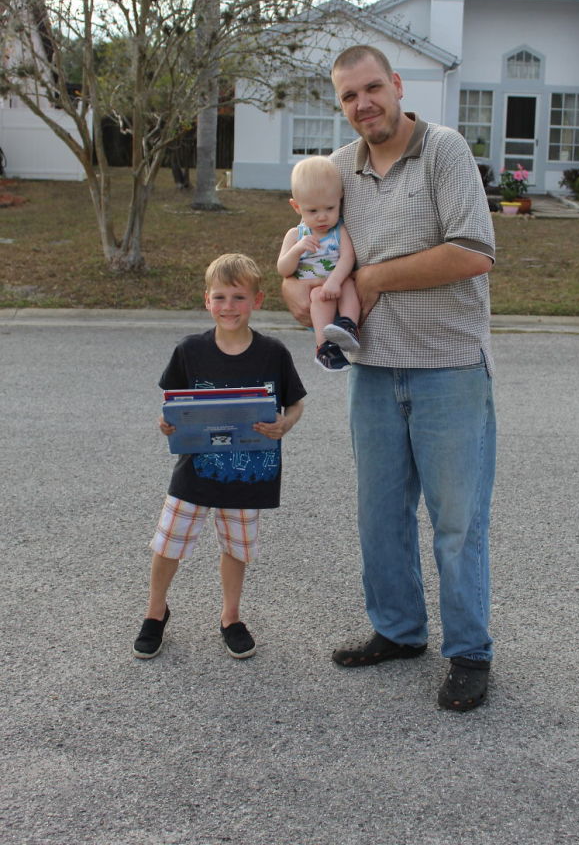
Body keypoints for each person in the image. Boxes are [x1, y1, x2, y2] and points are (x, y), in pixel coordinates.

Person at [282, 45, 496, 712]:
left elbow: (473, 253)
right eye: (349, 96)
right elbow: (302, 264)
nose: (362, 104)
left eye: (372, 88)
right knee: (380, 515)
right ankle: (399, 632)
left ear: (397, 86)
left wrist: (367, 279)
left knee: (457, 522)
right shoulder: (336, 169)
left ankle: (469, 653)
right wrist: (298, 292)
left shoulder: (443, 151)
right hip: (369, 371)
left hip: (448, 368)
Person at [134, 252, 305, 660]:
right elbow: (171, 403)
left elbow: (296, 403)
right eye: (221, 297)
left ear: (258, 300)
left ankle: (230, 616)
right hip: (194, 469)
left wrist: (286, 423)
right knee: (169, 542)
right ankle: (156, 611)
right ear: (207, 300)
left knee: (236, 547)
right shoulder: (190, 351)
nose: (229, 307)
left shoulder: (273, 353)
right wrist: (166, 424)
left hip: (248, 473)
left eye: (239, 298)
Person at [277, 154, 361, 373]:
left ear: (340, 200)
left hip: (339, 280)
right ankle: (324, 346)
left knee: (348, 285)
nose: (322, 217)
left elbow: (348, 258)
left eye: (330, 208)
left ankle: (348, 326)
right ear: (296, 206)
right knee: (318, 296)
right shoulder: (296, 234)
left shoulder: (339, 230)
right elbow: (283, 269)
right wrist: (298, 249)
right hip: (315, 290)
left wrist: (334, 281)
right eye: (313, 211)